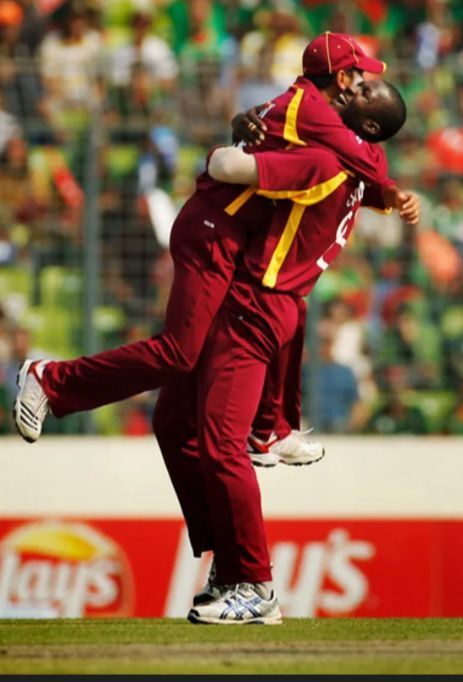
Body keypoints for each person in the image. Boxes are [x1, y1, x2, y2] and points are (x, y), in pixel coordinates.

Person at [12, 33, 417, 467]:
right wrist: (387, 187)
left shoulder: (313, 113)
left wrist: (386, 195)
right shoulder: (314, 112)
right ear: (339, 77)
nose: (360, 82)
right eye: (358, 75)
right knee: (181, 352)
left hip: (228, 233)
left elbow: (343, 170)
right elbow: (366, 162)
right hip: (213, 229)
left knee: (281, 314)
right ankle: (49, 380)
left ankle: (269, 431)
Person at [172, 79, 409, 624]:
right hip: (278, 304)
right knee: (180, 422)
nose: (350, 87)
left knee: (220, 445)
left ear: (367, 125)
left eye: (363, 89)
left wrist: (228, 144)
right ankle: (271, 440)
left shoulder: (324, 164)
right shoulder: (359, 163)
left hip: (259, 301)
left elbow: (233, 170)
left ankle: (254, 586)